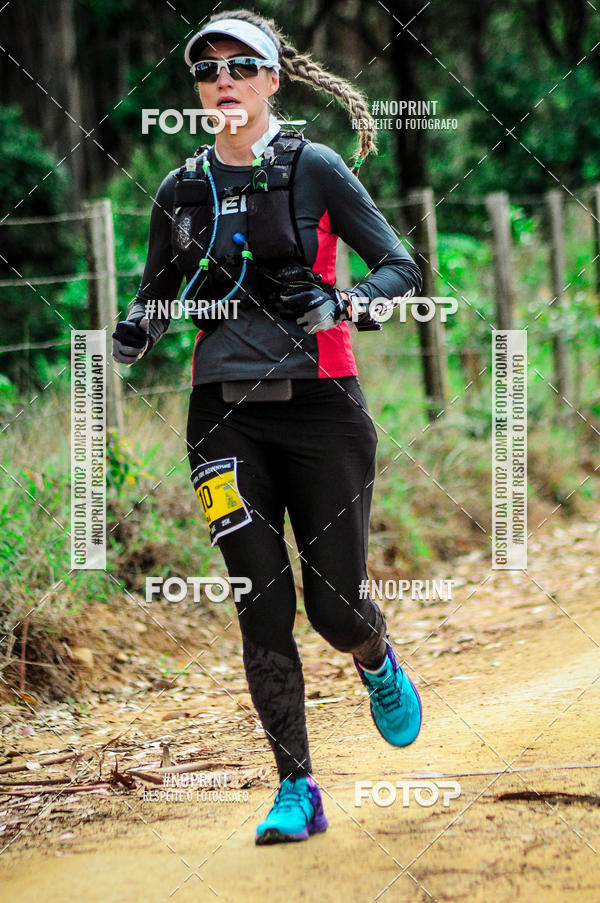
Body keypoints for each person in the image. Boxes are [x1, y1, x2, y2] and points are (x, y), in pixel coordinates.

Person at [112, 10, 423, 846]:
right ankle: (298, 789)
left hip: (326, 410)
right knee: (262, 604)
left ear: (272, 78)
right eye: (208, 70)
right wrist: (138, 324)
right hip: (224, 418)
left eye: (240, 66)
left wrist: (351, 302)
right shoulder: (181, 189)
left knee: (332, 609)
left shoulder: (314, 168)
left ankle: (374, 654)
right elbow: (157, 288)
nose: (224, 81)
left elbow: (401, 265)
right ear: (199, 91)